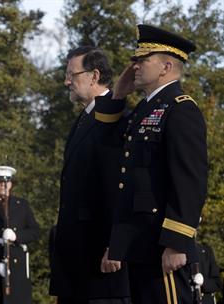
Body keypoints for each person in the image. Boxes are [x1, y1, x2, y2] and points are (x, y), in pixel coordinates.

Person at [95, 24, 208, 304]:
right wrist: (117, 96)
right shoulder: (144, 110)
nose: (134, 66)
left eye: (142, 60)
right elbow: (105, 146)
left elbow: (190, 180)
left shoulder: (181, 109)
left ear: (165, 66)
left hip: (163, 246)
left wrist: (176, 242)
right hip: (140, 243)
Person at [49, 46, 130, 304]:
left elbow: (118, 186)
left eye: (72, 74)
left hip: (101, 266)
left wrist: (115, 245)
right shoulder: (86, 118)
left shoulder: (114, 117)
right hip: (78, 264)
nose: (66, 81)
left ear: (94, 76)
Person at [0, 166, 39, 304]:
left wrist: (16, 236)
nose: (3, 185)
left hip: (17, 264)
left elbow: (34, 231)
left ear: (11, 183)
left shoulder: (22, 205)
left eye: (6, 181)